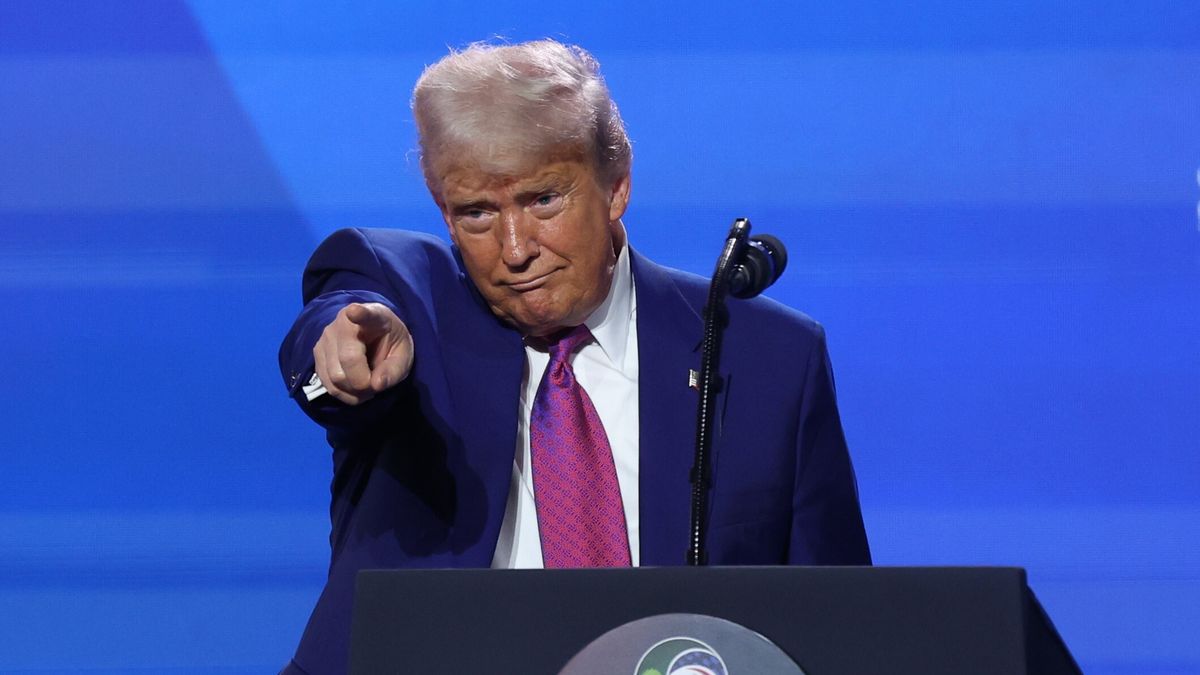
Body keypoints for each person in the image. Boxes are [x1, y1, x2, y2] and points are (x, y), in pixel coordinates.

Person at [278, 39, 869, 675]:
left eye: (542, 200)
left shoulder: (767, 358)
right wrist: (336, 363)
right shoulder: (408, 304)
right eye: (476, 212)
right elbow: (329, 343)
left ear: (616, 186)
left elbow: (834, 622)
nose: (514, 249)